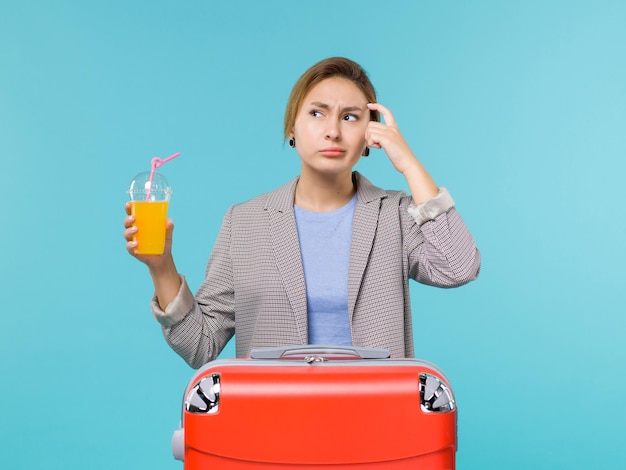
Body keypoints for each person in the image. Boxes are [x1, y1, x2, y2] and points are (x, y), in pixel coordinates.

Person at [123, 57, 481, 369]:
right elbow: (199, 346)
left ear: (371, 135)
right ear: (292, 127)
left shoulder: (396, 215)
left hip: (375, 426)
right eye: (316, 113)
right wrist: (161, 266)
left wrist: (409, 163)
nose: (333, 131)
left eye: (351, 117)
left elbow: (459, 266)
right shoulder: (245, 222)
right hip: (275, 429)